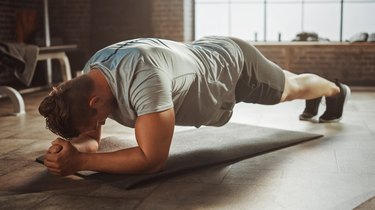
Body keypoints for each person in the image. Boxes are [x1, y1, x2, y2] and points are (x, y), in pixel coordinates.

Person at [39, 36, 350, 176]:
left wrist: (79, 164)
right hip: (202, 55)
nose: (95, 127)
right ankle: (323, 90)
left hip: (235, 67)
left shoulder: (145, 80)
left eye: (90, 121)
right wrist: (74, 149)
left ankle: (335, 89)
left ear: (95, 102)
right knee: (290, 84)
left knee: (290, 88)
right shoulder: (92, 74)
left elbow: (152, 159)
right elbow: (92, 136)